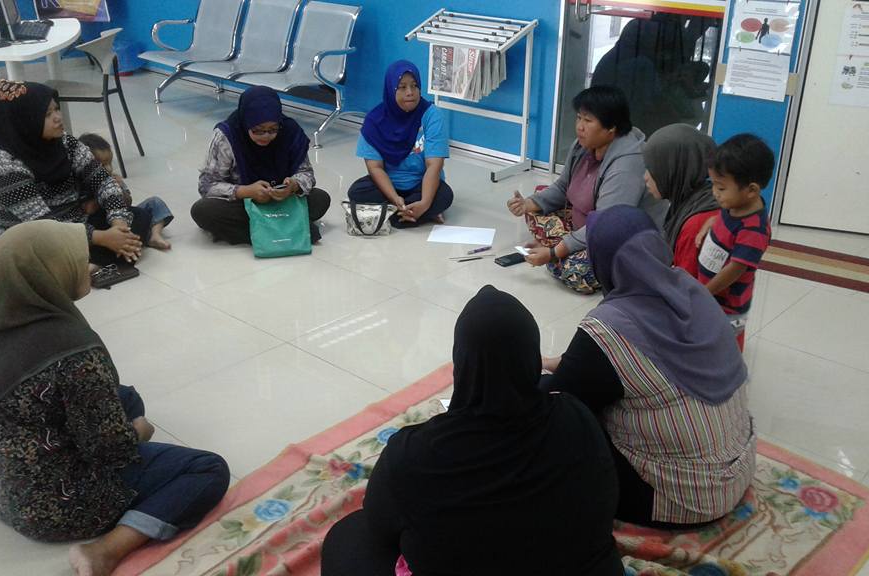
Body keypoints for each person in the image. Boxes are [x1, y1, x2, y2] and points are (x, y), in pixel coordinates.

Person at [0, 221, 231, 576]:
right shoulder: (72, 350)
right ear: (49, 272)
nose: (90, 267)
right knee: (208, 469)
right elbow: (110, 451)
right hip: (58, 507)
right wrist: (138, 432)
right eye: (79, 260)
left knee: (127, 398)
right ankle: (106, 551)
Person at [321, 286, 623, 576]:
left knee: (346, 538)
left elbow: (380, 523)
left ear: (461, 365)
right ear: (532, 360)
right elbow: (605, 499)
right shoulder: (576, 417)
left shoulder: (413, 455)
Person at [541, 206, 755, 528]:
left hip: (683, 498)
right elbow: (599, 367)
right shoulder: (693, 291)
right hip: (736, 470)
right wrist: (559, 363)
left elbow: (557, 400)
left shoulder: (607, 329)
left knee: (552, 424)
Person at [507, 85, 661, 294]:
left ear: (611, 127)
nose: (580, 126)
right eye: (579, 118)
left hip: (616, 239)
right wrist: (526, 204)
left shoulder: (627, 165)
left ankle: (561, 249)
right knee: (536, 205)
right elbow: (562, 187)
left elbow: (606, 225)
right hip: (584, 221)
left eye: (588, 121)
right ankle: (564, 245)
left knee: (576, 271)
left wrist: (552, 253)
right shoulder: (582, 145)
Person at [0, 80, 146, 267]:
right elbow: (44, 225)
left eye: (56, 109)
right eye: (47, 114)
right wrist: (102, 238)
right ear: (24, 121)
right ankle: (86, 261)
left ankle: (86, 262)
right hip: (30, 239)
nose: (58, 118)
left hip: (74, 224)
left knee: (138, 217)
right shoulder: (7, 168)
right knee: (35, 256)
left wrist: (119, 225)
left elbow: (103, 181)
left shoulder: (66, 143)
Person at [191, 85, 331, 245]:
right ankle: (286, 229)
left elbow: (306, 173)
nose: (266, 136)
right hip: (243, 204)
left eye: (273, 130)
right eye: (258, 130)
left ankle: (261, 231)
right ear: (246, 123)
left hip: (281, 200)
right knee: (203, 211)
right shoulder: (227, 136)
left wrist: (293, 186)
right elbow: (207, 185)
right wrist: (246, 191)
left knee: (320, 199)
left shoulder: (290, 131)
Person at [348, 60, 454, 228]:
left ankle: (403, 212)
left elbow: (434, 165)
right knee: (357, 192)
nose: (410, 93)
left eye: (414, 86)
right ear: (391, 90)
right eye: (402, 87)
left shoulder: (432, 115)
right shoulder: (374, 121)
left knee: (444, 195)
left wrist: (425, 202)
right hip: (388, 186)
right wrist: (394, 198)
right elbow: (375, 168)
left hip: (421, 184)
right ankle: (413, 212)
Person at [696, 134, 774, 350]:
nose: (715, 193)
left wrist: (704, 292)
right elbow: (721, 219)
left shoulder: (754, 229)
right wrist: (708, 224)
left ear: (751, 190)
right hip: (710, 294)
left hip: (726, 306)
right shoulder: (734, 205)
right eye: (713, 185)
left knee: (721, 348)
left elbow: (735, 269)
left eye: (721, 188)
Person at [642, 124, 719, 277]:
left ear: (675, 168)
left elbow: (685, 286)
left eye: (652, 168)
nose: (645, 177)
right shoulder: (692, 201)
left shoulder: (696, 223)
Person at [78, 133, 174, 251]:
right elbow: (86, 212)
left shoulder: (114, 178)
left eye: (110, 163)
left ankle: (154, 235)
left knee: (154, 203)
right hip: (102, 226)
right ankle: (140, 236)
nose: (109, 168)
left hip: (122, 218)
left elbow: (128, 202)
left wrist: (119, 190)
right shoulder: (82, 184)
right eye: (103, 165)